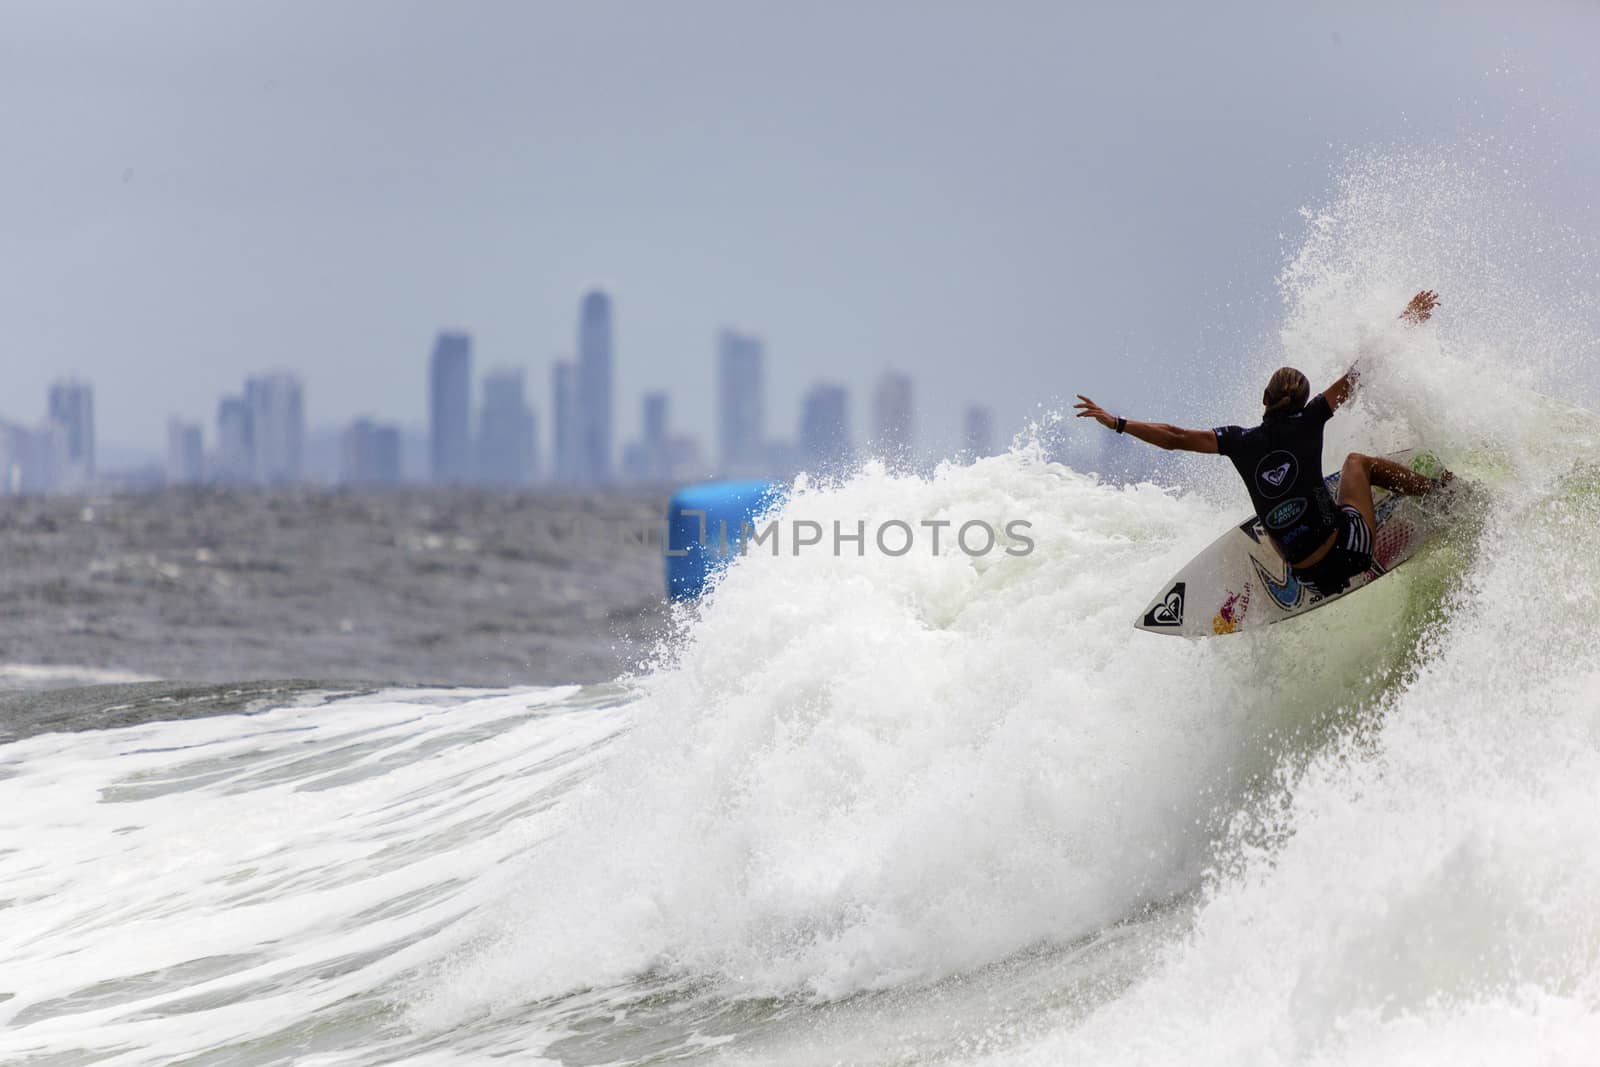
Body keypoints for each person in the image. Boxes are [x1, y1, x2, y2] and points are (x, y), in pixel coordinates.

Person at [1073, 290, 1450, 597]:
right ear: (1301, 403)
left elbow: (1174, 438)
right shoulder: (1313, 417)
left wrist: (1117, 422)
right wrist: (1407, 320)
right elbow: (1360, 372)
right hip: (1350, 552)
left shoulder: (1238, 442)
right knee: (1356, 463)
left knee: (1293, 510)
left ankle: (1308, 540)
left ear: (1263, 398)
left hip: (1305, 577)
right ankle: (1438, 493)